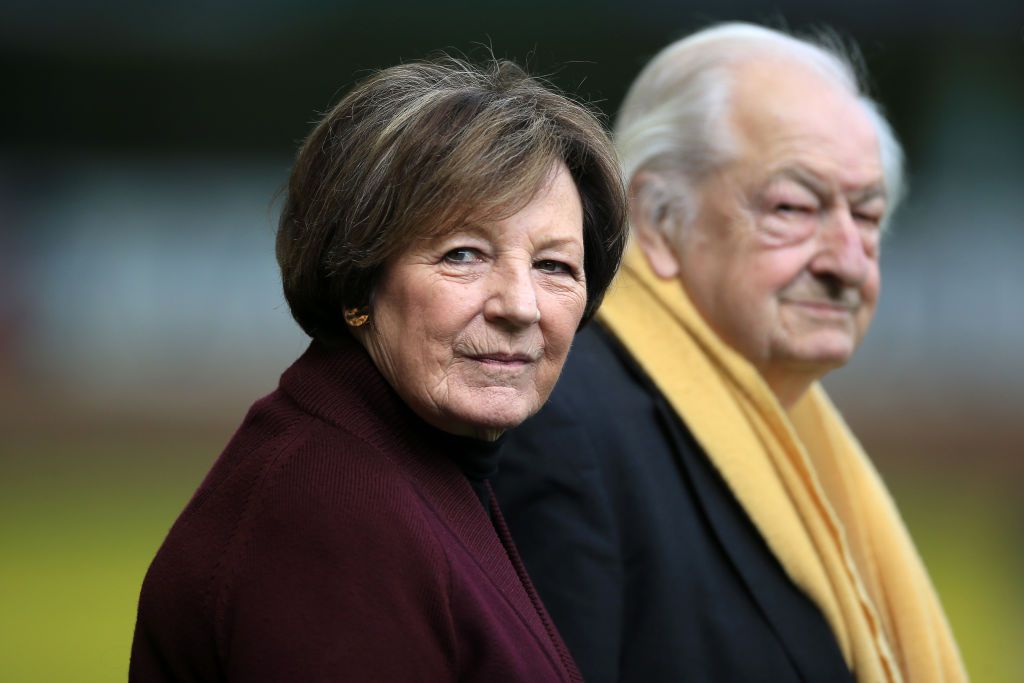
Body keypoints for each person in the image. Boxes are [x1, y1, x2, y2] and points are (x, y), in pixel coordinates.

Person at [129, 56, 628, 682]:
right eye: (464, 254)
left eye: (555, 266)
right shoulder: (329, 517)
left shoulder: (421, 462)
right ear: (358, 283)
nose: (521, 306)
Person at [494, 23, 967, 683]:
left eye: (866, 214)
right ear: (657, 219)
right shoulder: (562, 420)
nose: (847, 261)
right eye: (794, 207)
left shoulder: (789, 427)